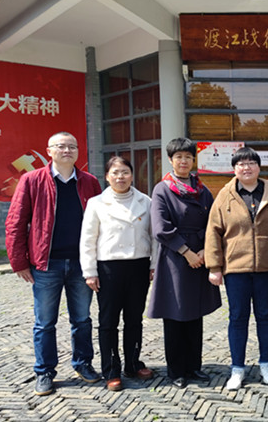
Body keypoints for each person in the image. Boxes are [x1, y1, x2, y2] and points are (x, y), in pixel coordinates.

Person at [5, 131, 102, 396]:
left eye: (72, 146)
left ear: (78, 151)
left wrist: (99, 261)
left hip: (82, 264)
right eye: (61, 146)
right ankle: (44, 371)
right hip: (46, 264)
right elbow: (15, 222)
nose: (67, 150)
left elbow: (101, 222)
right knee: (45, 322)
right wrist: (19, 262)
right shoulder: (32, 180)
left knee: (82, 319)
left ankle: (83, 364)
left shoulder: (90, 182)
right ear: (49, 151)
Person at [205, 147, 268, 391]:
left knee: (265, 316)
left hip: (267, 267)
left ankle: (266, 365)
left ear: (259, 167)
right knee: (238, 317)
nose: (246, 167)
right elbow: (213, 231)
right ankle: (237, 369)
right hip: (235, 268)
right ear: (234, 169)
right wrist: (214, 266)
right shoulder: (225, 195)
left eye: (251, 163)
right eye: (241, 164)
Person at [146, 137, 221, 389]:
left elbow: (213, 221)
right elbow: (160, 227)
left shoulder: (202, 189)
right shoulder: (162, 189)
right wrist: (186, 251)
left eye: (188, 157)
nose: (183, 161)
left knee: (195, 313)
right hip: (175, 259)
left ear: (193, 160)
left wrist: (204, 249)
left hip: (200, 255)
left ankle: (194, 366)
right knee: (175, 314)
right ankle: (176, 370)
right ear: (171, 160)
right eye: (178, 157)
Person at [80, 156, 157, 392]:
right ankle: (111, 369)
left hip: (139, 265)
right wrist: (90, 272)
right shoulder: (96, 203)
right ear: (107, 176)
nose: (120, 177)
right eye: (115, 172)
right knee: (108, 321)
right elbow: (88, 239)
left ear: (132, 175)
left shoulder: (145, 201)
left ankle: (133, 363)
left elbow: (154, 235)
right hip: (109, 268)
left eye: (125, 172)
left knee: (134, 318)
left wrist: (153, 264)